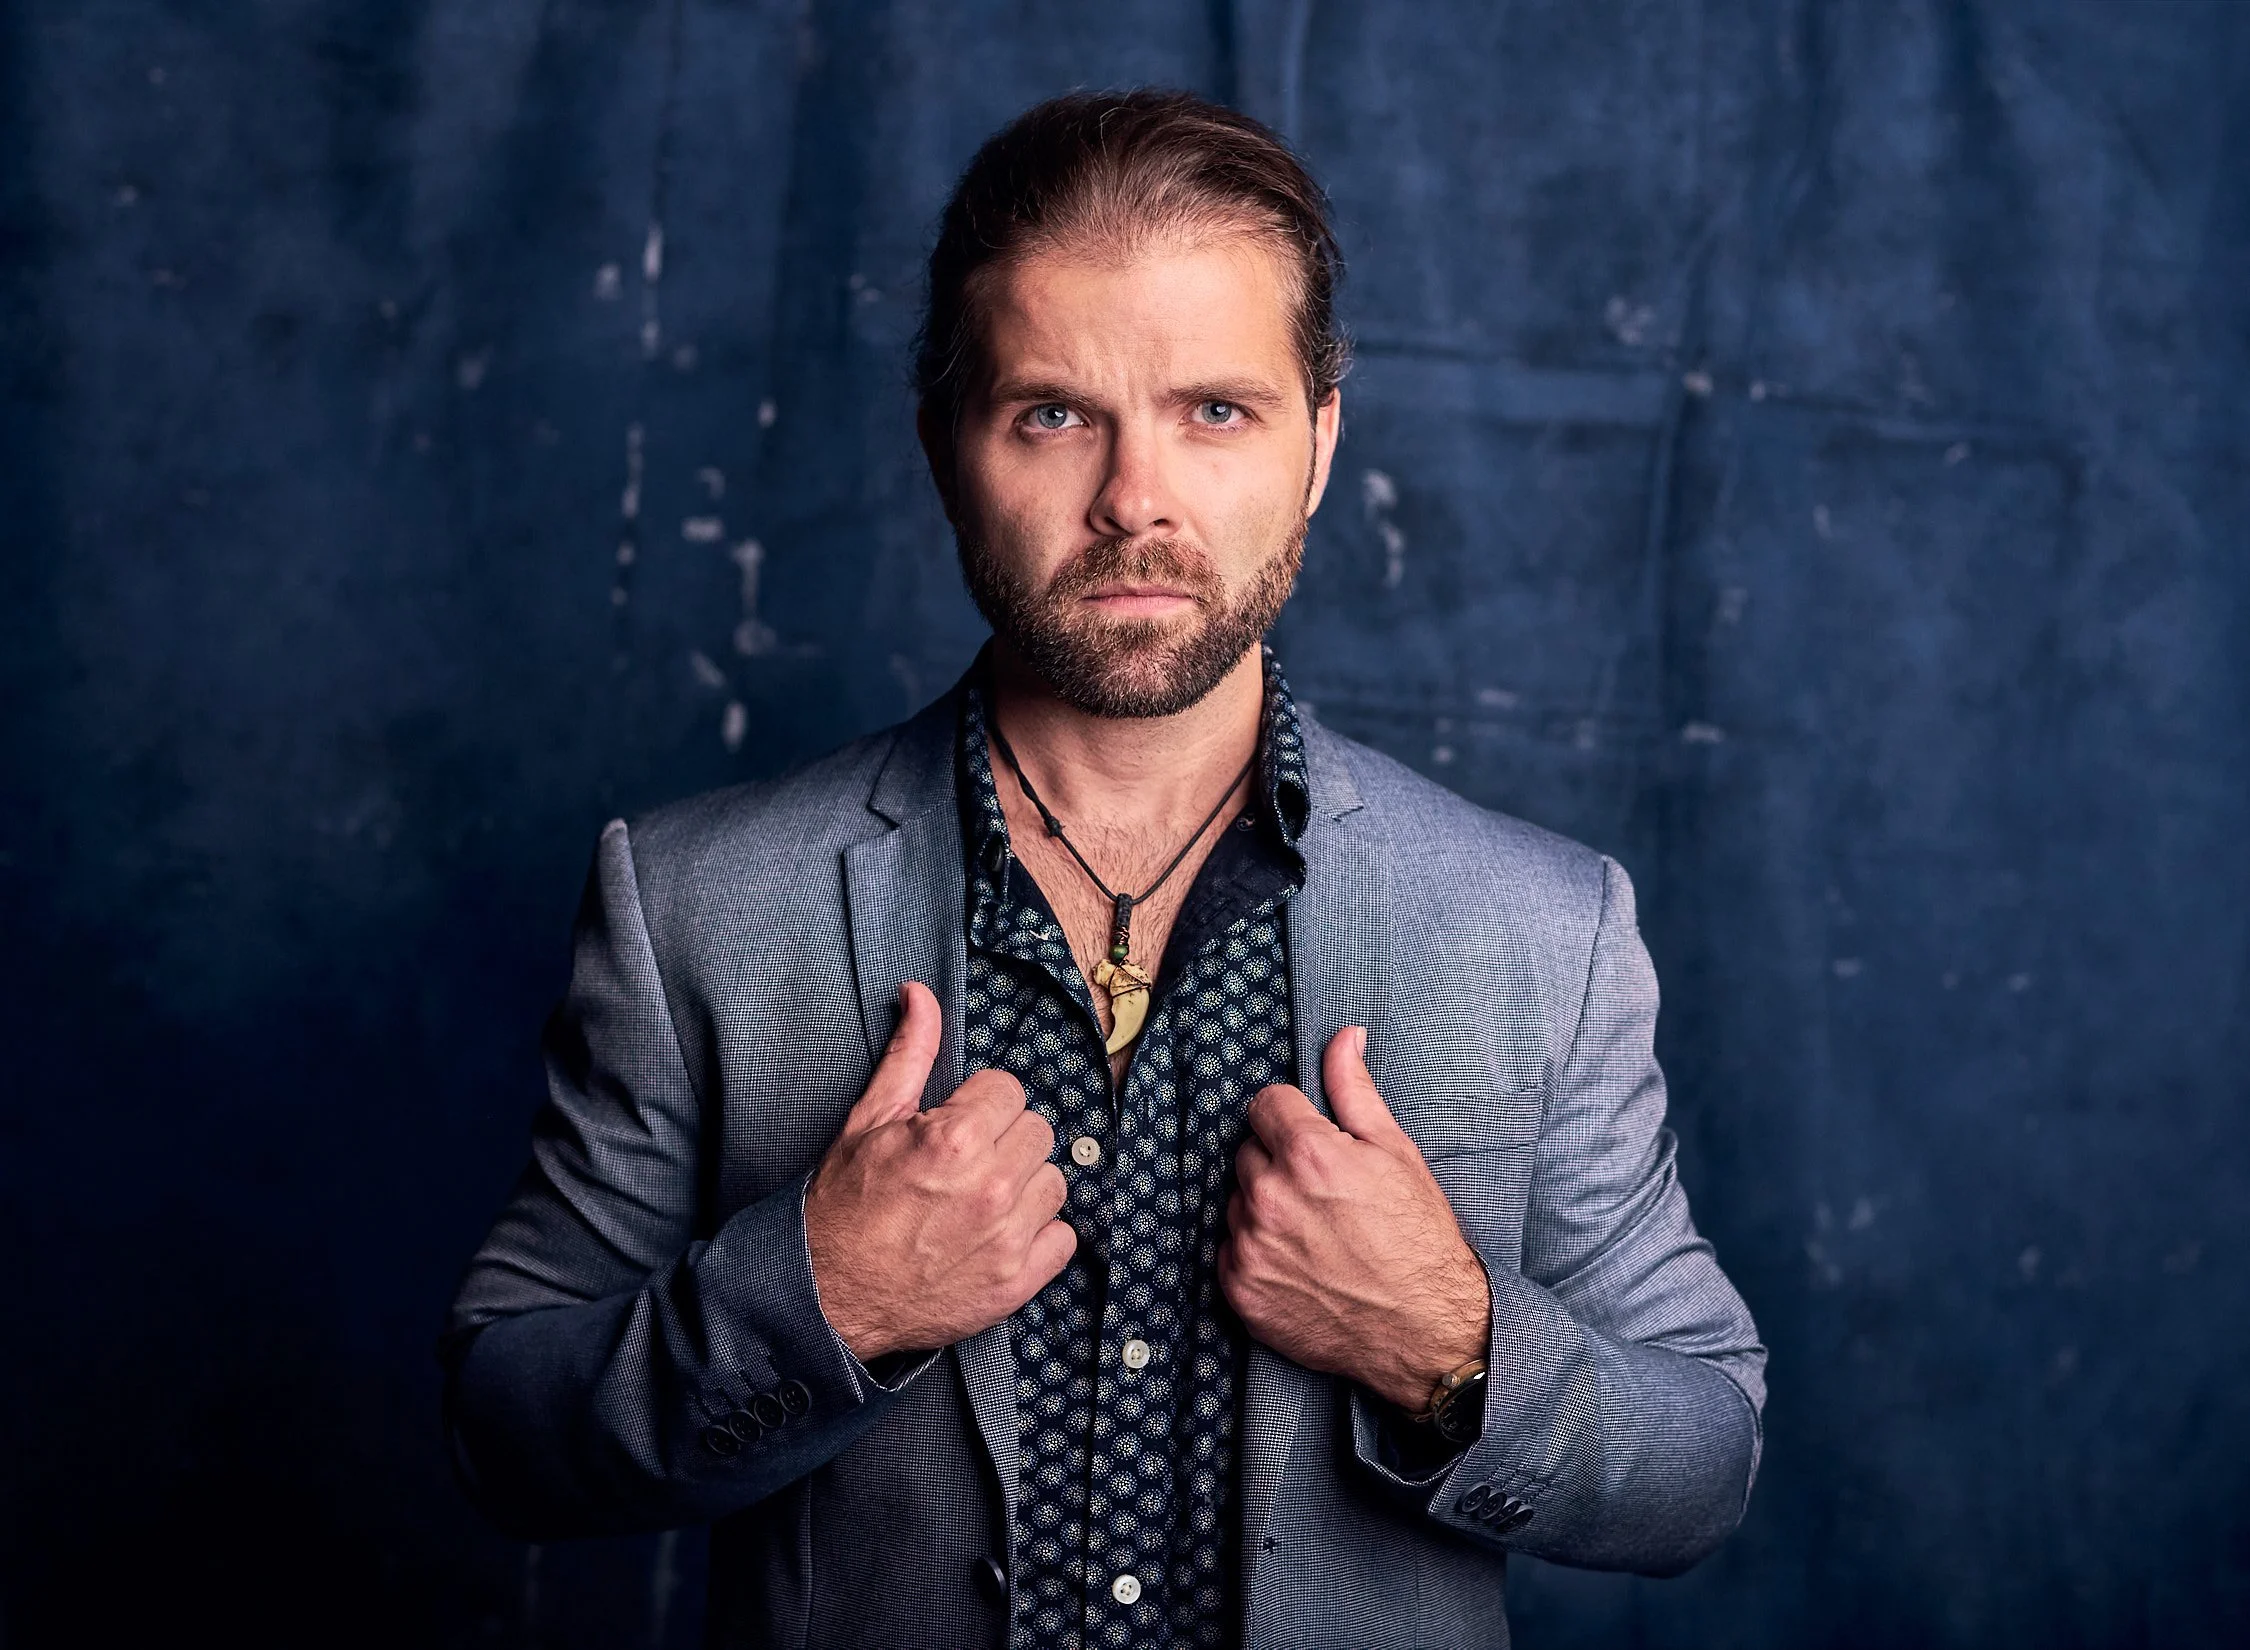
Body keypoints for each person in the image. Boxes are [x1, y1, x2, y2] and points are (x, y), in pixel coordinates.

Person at [442, 88, 1765, 1650]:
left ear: (1321, 441)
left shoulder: (1539, 929)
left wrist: (1450, 1344)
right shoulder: (697, 904)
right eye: (1054, 413)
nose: (1135, 498)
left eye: (1215, 409)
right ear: (945, 447)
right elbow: (507, 1430)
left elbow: (1701, 1460)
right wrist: (818, 1300)